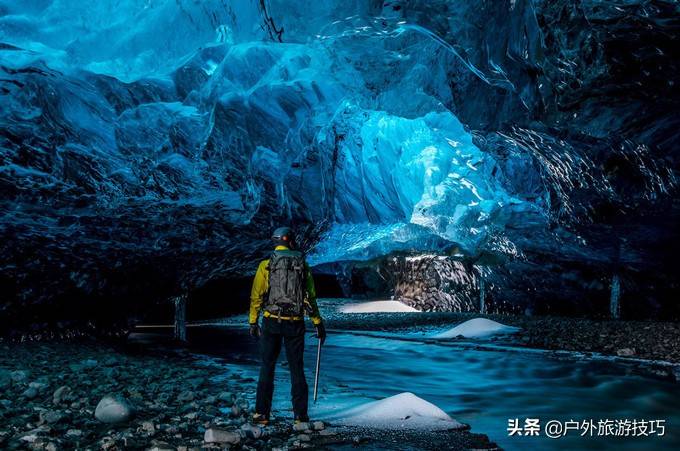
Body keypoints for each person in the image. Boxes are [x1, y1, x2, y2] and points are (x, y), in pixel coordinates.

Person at [248, 226, 326, 426]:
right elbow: (309, 297)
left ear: (275, 242)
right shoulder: (303, 264)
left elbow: (257, 296)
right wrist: (317, 323)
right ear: (290, 240)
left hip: (271, 321)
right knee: (296, 369)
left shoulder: (266, 265)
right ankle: (300, 416)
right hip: (295, 323)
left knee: (267, 367)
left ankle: (261, 414)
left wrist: (252, 321)